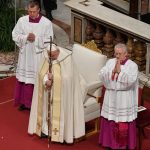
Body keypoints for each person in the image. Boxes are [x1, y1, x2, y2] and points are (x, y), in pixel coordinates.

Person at [28, 44, 87, 143]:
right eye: (50, 56)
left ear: (58, 52)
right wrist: (46, 80)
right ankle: (47, 131)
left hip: (63, 94)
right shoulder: (46, 57)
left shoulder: (67, 58)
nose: (52, 58)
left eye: (54, 56)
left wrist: (54, 78)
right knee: (47, 110)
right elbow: (41, 73)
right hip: (48, 91)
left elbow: (68, 78)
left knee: (60, 112)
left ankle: (62, 135)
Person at [12, 0, 53, 110]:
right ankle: (24, 103)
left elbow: (50, 40)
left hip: (37, 56)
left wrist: (36, 39)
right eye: (29, 11)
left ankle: (36, 104)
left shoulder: (46, 23)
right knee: (25, 79)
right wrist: (25, 38)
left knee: (36, 79)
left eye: (34, 11)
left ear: (38, 10)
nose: (31, 14)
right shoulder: (22, 20)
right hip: (25, 55)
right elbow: (15, 35)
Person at [99, 43, 139, 149]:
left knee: (123, 121)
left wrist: (120, 72)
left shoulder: (132, 66)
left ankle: (123, 144)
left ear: (126, 54)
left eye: (120, 54)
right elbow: (101, 75)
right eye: (116, 53)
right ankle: (109, 143)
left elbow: (131, 81)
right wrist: (112, 71)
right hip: (111, 96)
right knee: (110, 119)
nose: (117, 56)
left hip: (124, 98)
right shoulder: (110, 62)